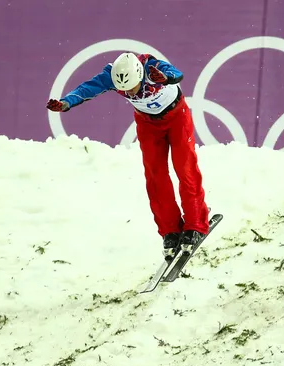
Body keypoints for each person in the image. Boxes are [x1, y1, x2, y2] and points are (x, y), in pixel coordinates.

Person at [47, 52, 210, 258]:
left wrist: (166, 78)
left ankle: (196, 223)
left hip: (177, 117)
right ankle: (170, 230)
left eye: (132, 87)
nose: (129, 92)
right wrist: (66, 103)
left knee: (184, 168)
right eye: (123, 89)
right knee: (154, 176)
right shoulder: (113, 75)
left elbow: (176, 73)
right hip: (147, 124)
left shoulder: (152, 68)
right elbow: (87, 88)